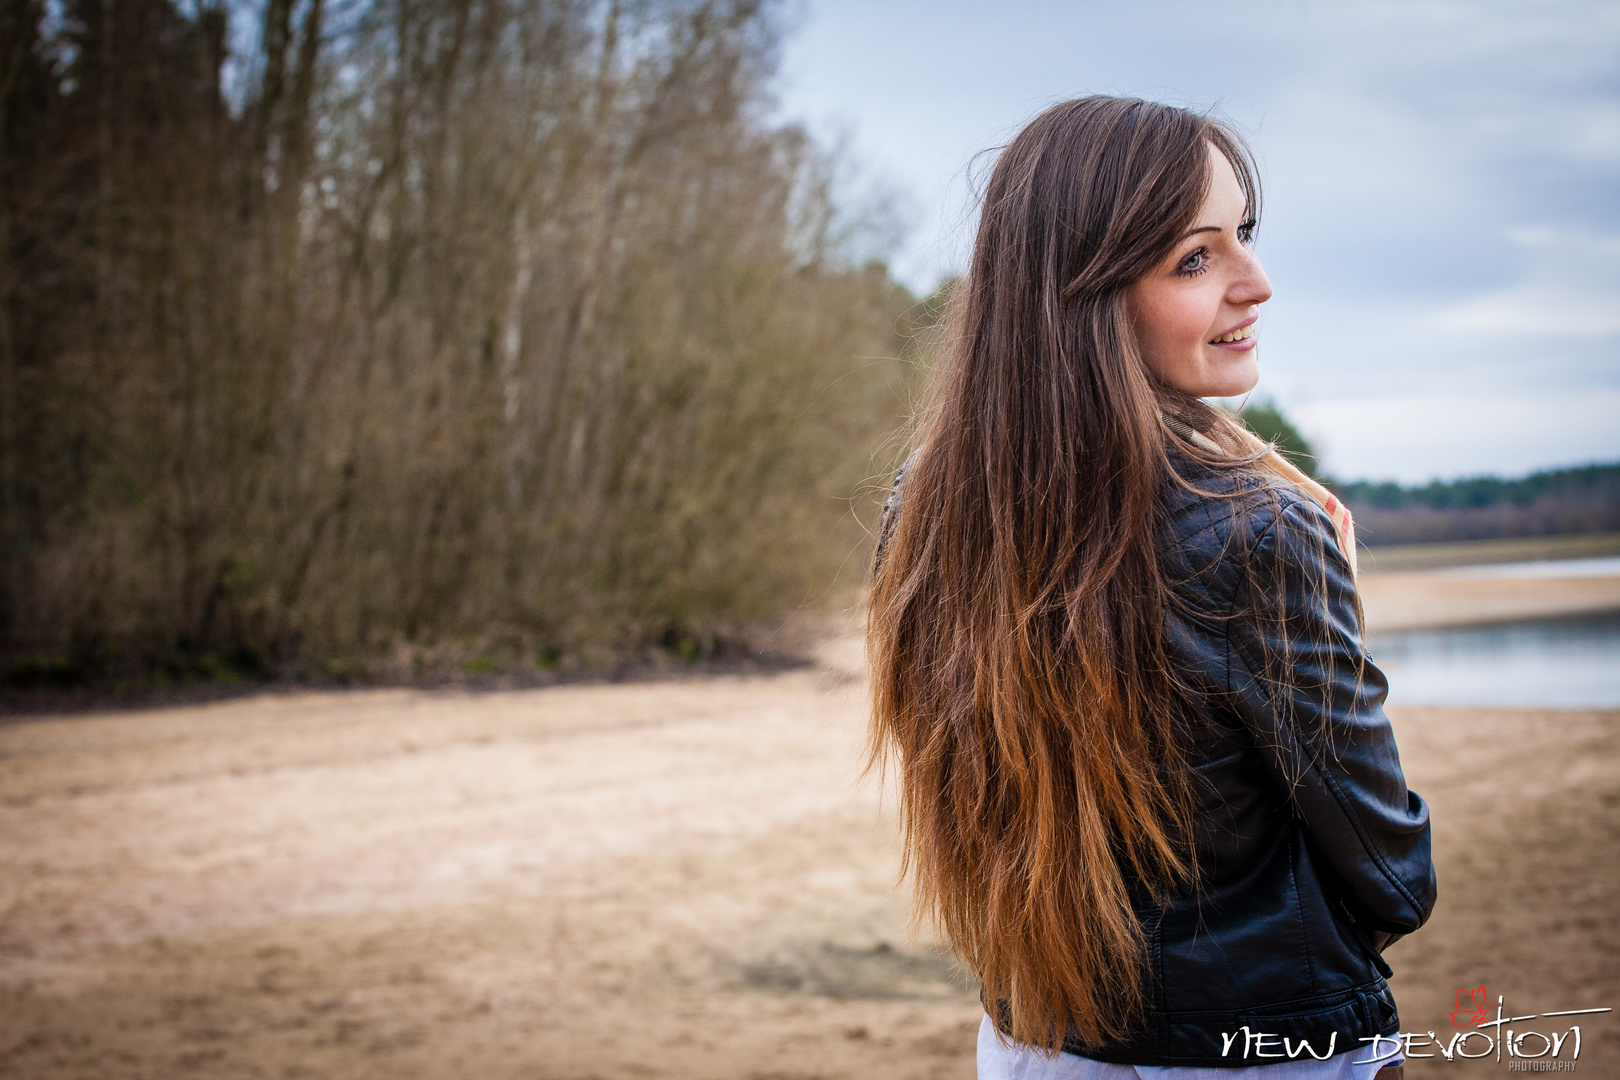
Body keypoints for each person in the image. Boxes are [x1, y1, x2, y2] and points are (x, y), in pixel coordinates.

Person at [865, 97, 1436, 1079]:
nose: (1256, 284)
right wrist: (1323, 583)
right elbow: (1395, 873)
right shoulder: (1260, 531)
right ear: (1086, 293)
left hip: (1034, 1040)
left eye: (1244, 238)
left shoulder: (928, 499)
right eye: (1194, 258)